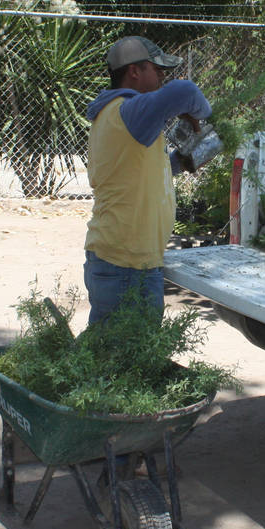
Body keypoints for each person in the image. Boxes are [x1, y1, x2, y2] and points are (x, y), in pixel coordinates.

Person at [83, 36, 213, 324]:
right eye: (157, 69)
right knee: (127, 360)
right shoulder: (127, 110)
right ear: (134, 71)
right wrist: (201, 113)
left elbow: (135, 173)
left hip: (126, 259)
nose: (163, 76)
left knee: (115, 355)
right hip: (125, 264)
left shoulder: (120, 115)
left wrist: (180, 163)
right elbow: (185, 90)